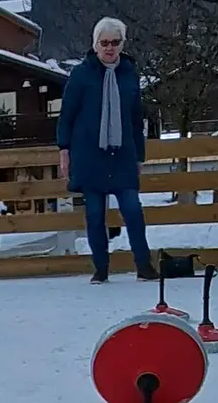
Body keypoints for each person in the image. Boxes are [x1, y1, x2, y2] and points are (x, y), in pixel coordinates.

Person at [57, 17, 157, 284]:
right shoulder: (81, 74)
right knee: (94, 214)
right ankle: (101, 269)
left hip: (122, 154)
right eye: (105, 43)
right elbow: (66, 114)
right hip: (89, 154)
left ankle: (144, 265)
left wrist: (139, 156)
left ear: (122, 44)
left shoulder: (129, 74)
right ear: (95, 44)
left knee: (133, 209)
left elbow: (136, 119)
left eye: (115, 42)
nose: (110, 48)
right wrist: (63, 149)